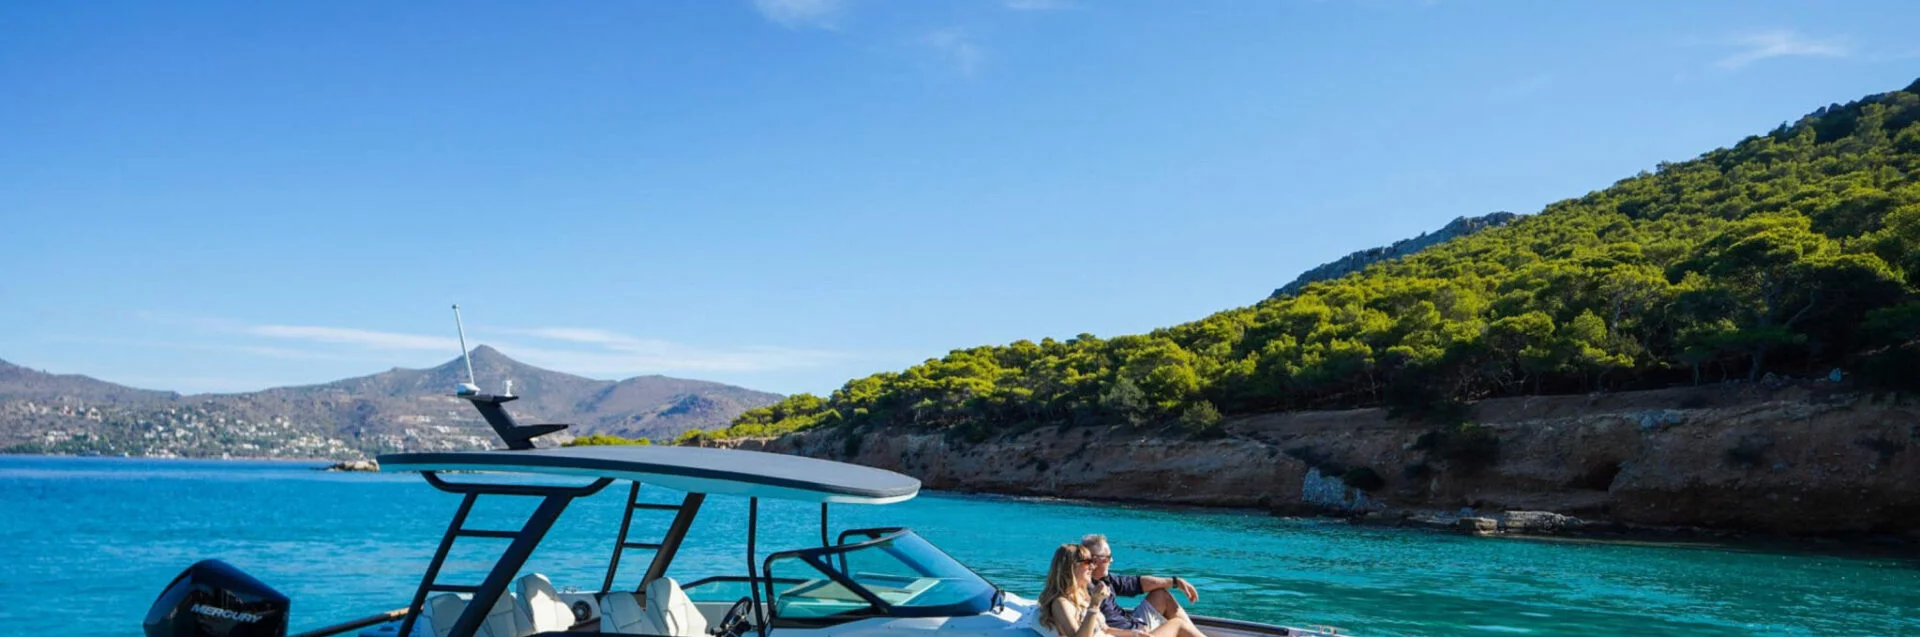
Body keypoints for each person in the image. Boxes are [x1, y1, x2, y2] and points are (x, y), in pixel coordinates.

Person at [1080, 534, 1208, 637]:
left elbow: (1136, 583)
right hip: (1127, 633)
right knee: (1178, 624)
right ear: (1095, 560)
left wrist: (1175, 582)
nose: (1112, 560)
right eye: (1108, 557)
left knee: (1160, 595)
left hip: (1133, 626)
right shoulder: (1085, 589)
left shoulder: (1105, 579)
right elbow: (1102, 629)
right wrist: (1133, 633)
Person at [1037, 543, 1109, 637]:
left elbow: (1106, 630)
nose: (1093, 567)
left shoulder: (1083, 594)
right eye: (1088, 562)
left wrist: (1129, 632)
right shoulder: (1061, 603)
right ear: (1071, 567)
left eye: (1093, 561)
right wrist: (1094, 603)